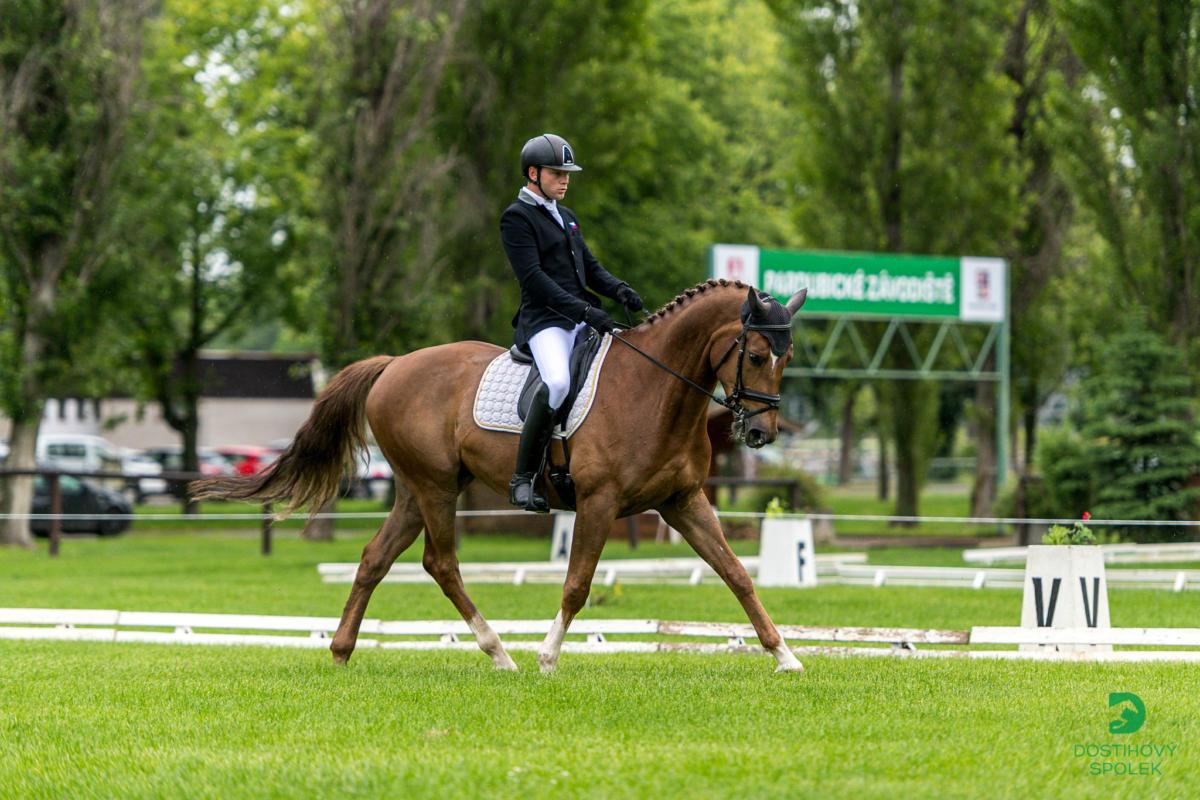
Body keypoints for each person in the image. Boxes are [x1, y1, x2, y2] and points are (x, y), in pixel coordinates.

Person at [499, 133, 644, 512]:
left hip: (580, 319)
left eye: (568, 173)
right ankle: (523, 478)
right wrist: (585, 312)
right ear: (533, 173)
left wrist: (620, 290)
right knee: (559, 382)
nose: (565, 179)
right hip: (546, 322)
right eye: (557, 173)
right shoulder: (517, 218)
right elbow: (535, 280)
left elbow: (590, 269)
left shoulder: (566, 217)